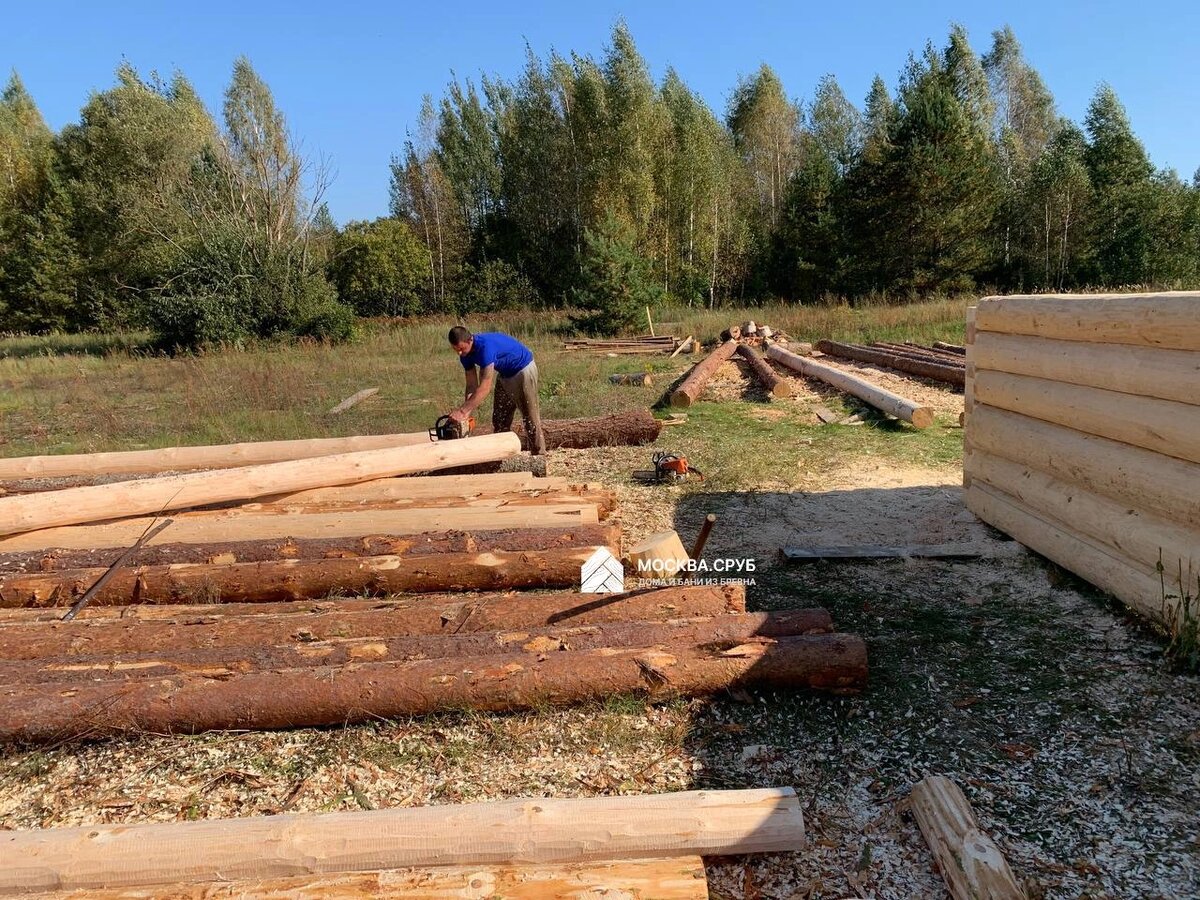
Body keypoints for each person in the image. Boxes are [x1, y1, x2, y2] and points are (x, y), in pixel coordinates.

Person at [447, 326, 547, 455]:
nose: (459, 353)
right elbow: (471, 385)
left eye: (461, 349)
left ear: (470, 340)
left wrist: (462, 411)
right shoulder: (465, 355)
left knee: (530, 417)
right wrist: (466, 413)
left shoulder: (485, 348)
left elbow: (485, 387)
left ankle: (539, 456)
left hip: (523, 369)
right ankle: (502, 453)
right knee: (500, 417)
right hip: (505, 373)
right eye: (456, 350)